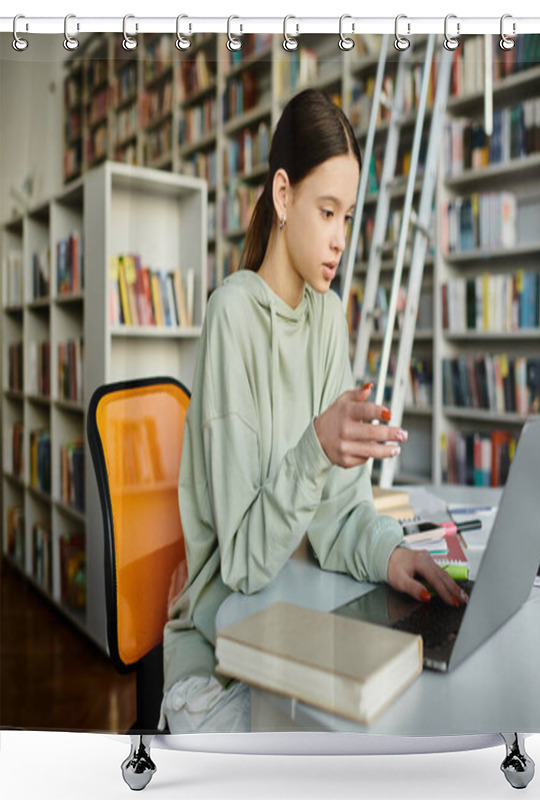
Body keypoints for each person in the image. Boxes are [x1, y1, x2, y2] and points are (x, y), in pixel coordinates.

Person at [160, 88, 468, 734]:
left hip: (294, 626)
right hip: (219, 664)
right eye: (327, 211)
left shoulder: (329, 317)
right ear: (282, 196)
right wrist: (317, 448)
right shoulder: (232, 316)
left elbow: (339, 515)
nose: (339, 240)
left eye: (348, 218)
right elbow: (242, 563)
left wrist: (390, 555)